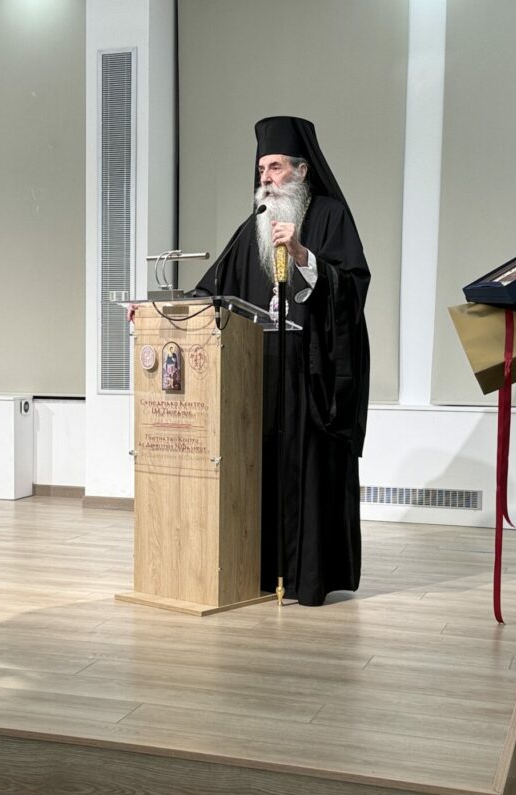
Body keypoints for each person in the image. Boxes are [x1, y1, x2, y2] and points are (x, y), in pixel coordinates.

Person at [195, 116, 370, 606]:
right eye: (261, 169)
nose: (266, 178)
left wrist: (301, 254)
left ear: (302, 170)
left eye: (275, 167)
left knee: (308, 476)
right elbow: (212, 288)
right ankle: (258, 572)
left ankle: (307, 577)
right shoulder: (253, 224)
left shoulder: (331, 215)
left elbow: (352, 285)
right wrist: (165, 312)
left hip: (310, 376)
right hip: (260, 377)